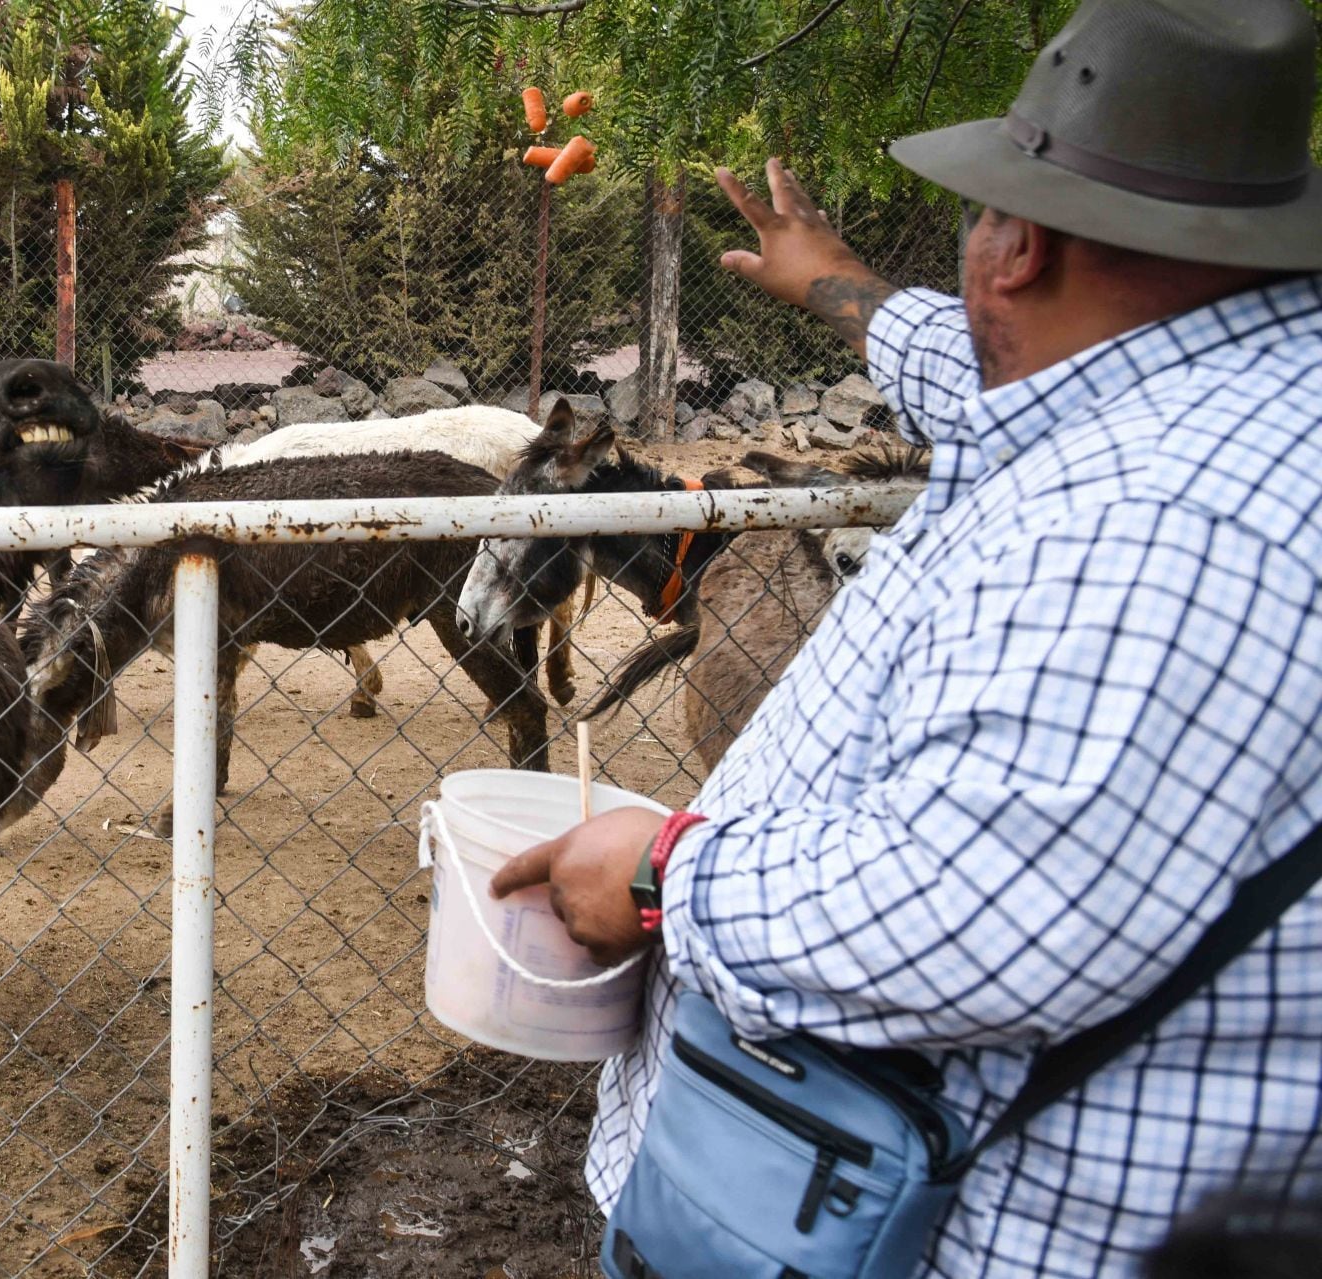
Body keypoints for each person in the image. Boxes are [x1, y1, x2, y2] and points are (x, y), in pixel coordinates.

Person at [489, 0, 1322, 1274]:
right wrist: (836, 285)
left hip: (944, 1218)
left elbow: (990, 912)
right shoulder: (1181, 387)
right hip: (871, 1177)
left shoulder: (1171, 518)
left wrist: (664, 873)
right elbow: (975, 377)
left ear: (1021, 246)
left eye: (983, 215)